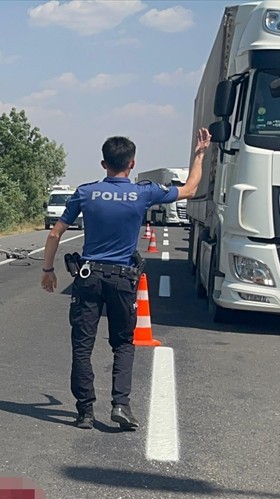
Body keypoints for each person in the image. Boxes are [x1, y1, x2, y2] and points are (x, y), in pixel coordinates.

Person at [40, 128, 211, 430]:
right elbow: (190, 190)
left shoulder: (85, 192)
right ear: (132, 164)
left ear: (103, 163)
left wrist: (48, 270)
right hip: (121, 279)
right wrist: (200, 154)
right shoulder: (142, 192)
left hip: (88, 276)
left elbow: (55, 233)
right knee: (123, 343)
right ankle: (120, 405)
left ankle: (84, 412)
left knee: (82, 345)